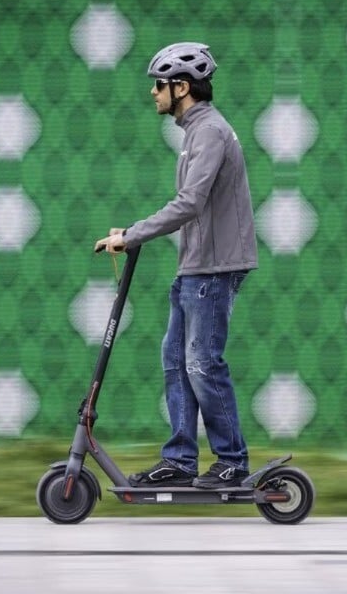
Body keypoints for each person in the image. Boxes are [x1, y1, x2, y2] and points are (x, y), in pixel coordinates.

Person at [94, 42, 258, 489]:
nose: (154, 93)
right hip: (196, 267)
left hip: (213, 269)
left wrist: (131, 235)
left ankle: (231, 462)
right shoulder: (195, 132)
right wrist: (133, 233)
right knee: (176, 361)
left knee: (203, 363)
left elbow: (189, 204)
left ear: (182, 87)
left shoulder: (209, 132)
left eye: (159, 85)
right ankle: (181, 460)